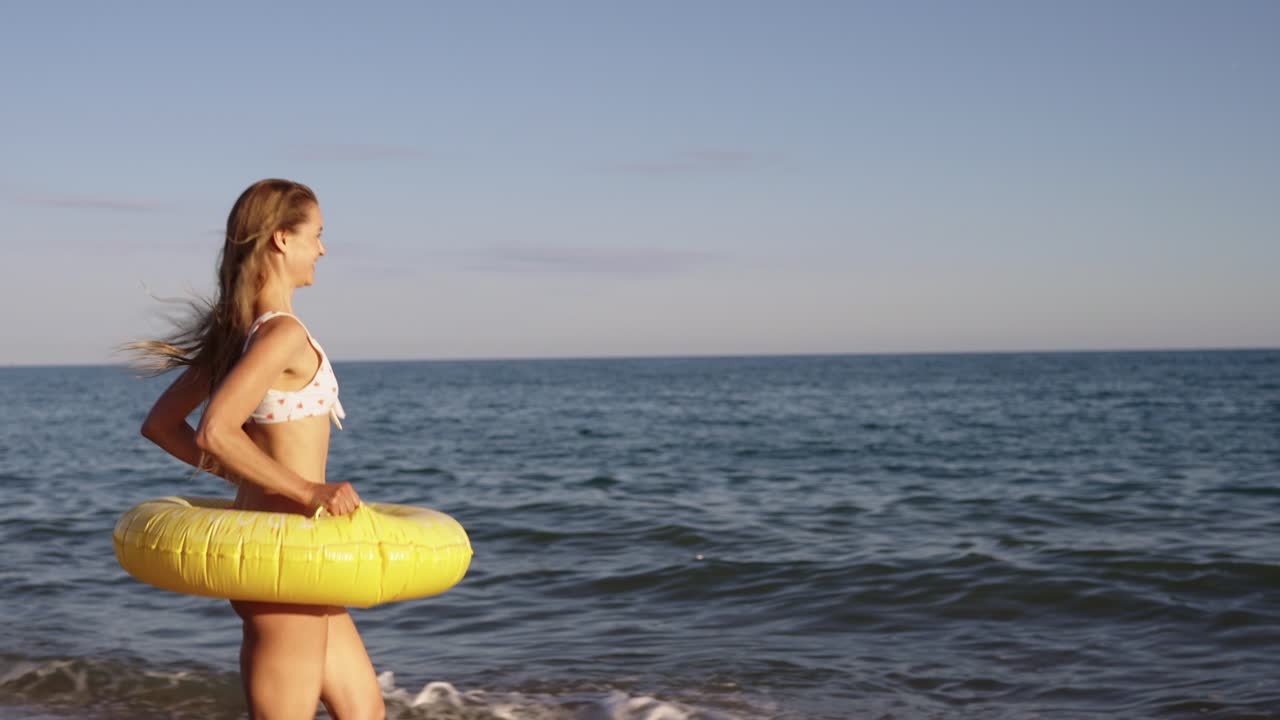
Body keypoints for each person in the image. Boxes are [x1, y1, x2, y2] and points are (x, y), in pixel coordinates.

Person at [129, 179, 385, 719]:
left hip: (299, 557)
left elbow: (161, 424)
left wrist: (250, 477)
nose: (323, 248)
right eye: (316, 234)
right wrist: (306, 488)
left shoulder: (240, 334)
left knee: (365, 711)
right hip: (282, 564)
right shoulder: (280, 335)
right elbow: (213, 431)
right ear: (281, 240)